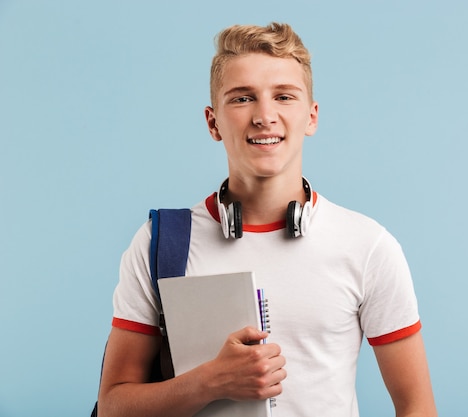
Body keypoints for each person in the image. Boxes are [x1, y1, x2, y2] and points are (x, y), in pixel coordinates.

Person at [97, 22, 437, 417]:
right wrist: (210, 382)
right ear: (213, 122)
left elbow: (417, 406)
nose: (264, 116)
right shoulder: (162, 243)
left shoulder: (368, 246)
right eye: (242, 98)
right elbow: (113, 407)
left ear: (311, 117)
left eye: (283, 96)